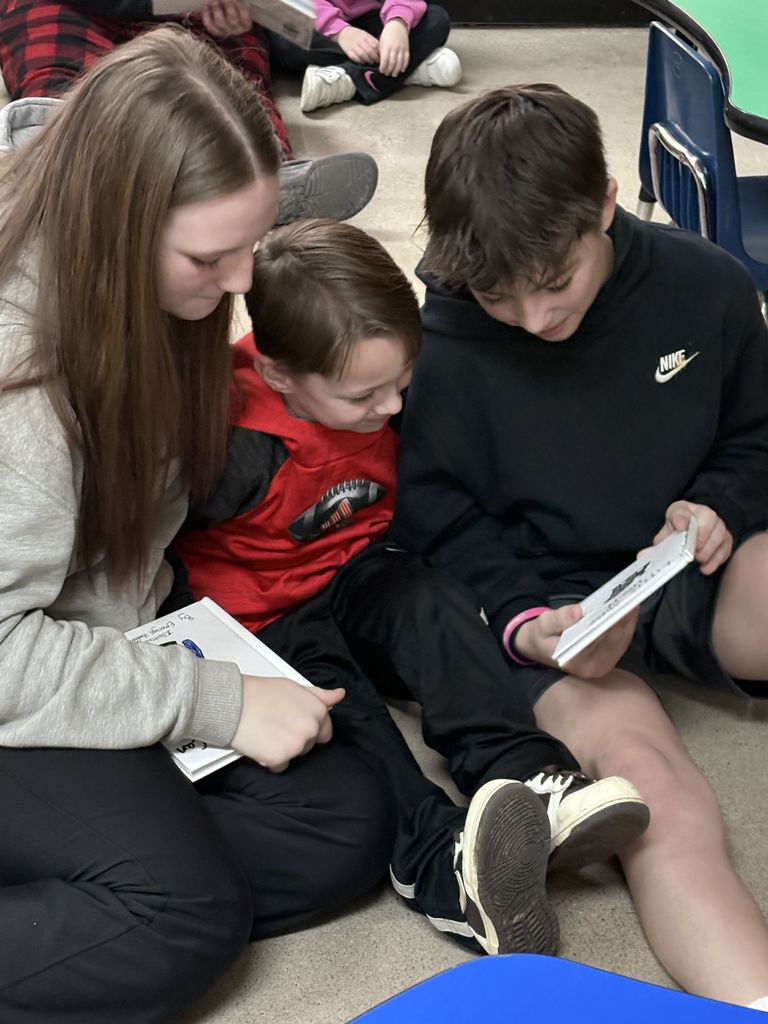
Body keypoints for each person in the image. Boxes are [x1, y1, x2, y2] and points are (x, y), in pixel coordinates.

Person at [0, 28, 399, 1024]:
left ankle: (101, 870)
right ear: (119, 224)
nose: (242, 284)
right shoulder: (24, 389)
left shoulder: (146, 284)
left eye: (252, 245)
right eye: (210, 257)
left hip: (86, 634)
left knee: (344, 825)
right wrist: (208, 701)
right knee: (183, 918)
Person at [170, 216, 650, 960]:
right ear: (279, 374)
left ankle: (531, 777)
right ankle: (447, 867)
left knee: (435, 605)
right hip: (265, 621)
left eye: (401, 382)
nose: (392, 408)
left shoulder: (388, 393)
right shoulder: (231, 441)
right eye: (364, 396)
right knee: (350, 719)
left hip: (359, 570)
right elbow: (147, 549)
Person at [392, 83, 768, 1009]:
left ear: (605, 202)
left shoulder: (707, 284)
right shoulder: (435, 345)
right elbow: (432, 519)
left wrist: (716, 502)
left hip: (682, 556)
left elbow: (756, 438)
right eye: (496, 295)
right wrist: (526, 621)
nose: (532, 317)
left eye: (554, 282)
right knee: (654, 792)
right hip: (544, 601)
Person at [0, 0, 379, 223]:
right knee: (56, 61)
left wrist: (241, 9)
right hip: (75, 7)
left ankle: (262, 171)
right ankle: (58, 158)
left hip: (192, 13)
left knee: (226, 69)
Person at [267, 0, 460, 113]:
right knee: (283, 43)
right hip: (318, 22)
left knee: (437, 19)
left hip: (372, 18)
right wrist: (340, 31)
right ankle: (409, 68)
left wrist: (398, 22)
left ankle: (349, 80)